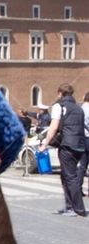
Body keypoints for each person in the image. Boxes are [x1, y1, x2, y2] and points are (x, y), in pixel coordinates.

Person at [39, 83, 86, 217]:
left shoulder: (59, 106)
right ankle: (69, 206)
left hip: (67, 145)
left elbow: (53, 127)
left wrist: (45, 144)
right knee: (66, 176)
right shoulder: (78, 108)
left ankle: (78, 209)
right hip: (80, 145)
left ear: (60, 93)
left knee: (70, 177)